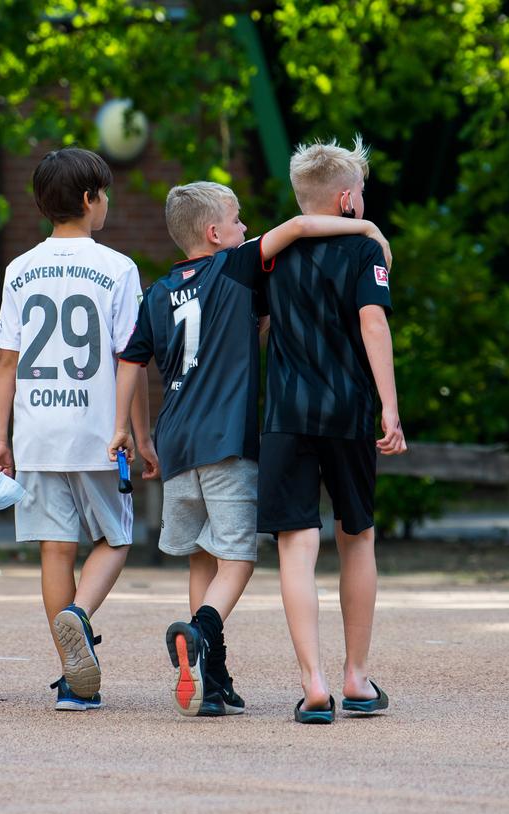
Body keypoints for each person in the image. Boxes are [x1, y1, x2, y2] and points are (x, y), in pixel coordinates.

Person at [108, 181, 391, 717]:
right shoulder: (235, 267)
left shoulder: (159, 291)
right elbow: (302, 227)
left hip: (174, 440)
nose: (245, 228)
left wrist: (129, 431)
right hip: (226, 440)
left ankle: (212, 682)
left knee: (201, 556)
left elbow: (130, 360)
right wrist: (366, 227)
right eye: (238, 221)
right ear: (216, 234)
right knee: (237, 558)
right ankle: (200, 630)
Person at [0, 147, 158, 711]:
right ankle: (78, 617)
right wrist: (138, 432)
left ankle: (71, 683)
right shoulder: (118, 268)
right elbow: (129, 359)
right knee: (117, 537)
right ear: (89, 199)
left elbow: (6, 362)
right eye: (104, 193)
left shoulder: (19, 269)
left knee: (55, 552)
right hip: (96, 432)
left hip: (36, 434)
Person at [256, 137, 407, 724]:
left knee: (296, 546)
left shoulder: (270, 253)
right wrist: (388, 408)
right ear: (347, 199)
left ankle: (313, 682)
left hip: (286, 417)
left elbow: (259, 324)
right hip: (347, 413)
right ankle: (356, 676)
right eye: (362, 194)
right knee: (357, 537)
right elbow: (373, 323)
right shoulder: (363, 253)